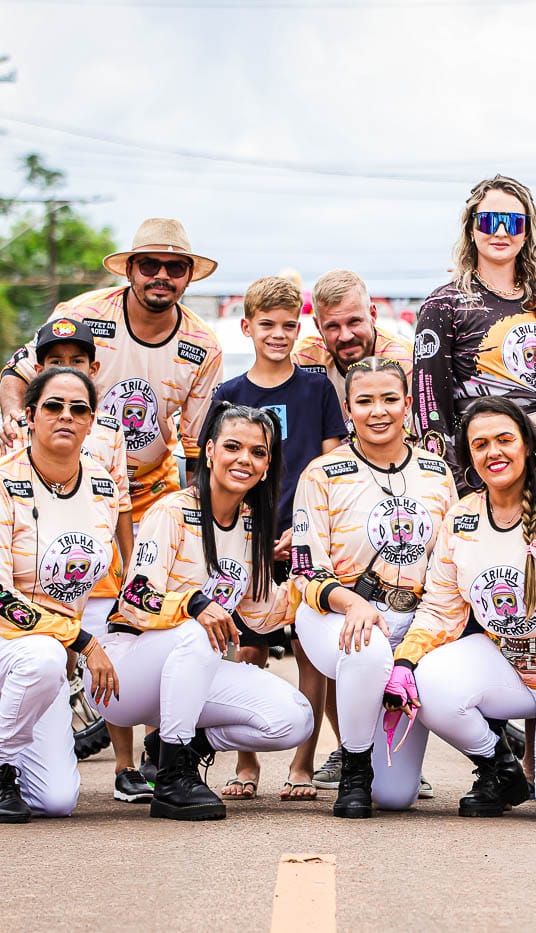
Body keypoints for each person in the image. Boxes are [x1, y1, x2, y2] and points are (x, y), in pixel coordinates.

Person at [383, 396, 536, 822]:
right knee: (430, 679)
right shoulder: (461, 518)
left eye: (504, 440)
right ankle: (500, 766)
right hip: (511, 663)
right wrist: (405, 660)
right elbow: (441, 609)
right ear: (469, 457)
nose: (493, 452)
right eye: (480, 445)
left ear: (528, 446)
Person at [88, 403, 314, 821]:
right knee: (199, 631)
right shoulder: (171, 512)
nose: (244, 459)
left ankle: (177, 748)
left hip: (190, 674)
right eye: (232, 446)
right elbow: (136, 596)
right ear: (209, 451)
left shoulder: (251, 526)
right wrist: (193, 603)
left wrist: (310, 579)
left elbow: (263, 616)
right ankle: (171, 779)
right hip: (124, 674)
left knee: (294, 719)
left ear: (267, 465)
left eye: (258, 452)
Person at [0, 367, 122, 822]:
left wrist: (66, 637)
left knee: (55, 801)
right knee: (44, 658)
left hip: (38, 644)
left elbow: (78, 580)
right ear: (29, 415)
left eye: (79, 409)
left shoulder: (103, 487)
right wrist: (79, 641)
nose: (65, 416)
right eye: (53, 406)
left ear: (92, 421)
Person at [289, 357, 458, 818]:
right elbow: (305, 570)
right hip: (336, 615)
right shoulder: (321, 474)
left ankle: (492, 758)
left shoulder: (437, 473)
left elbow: (452, 562)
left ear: (407, 404)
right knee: (368, 647)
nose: (378, 410)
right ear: (348, 409)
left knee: (397, 796)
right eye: (364, 401)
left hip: (414, 618)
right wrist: (355, 604)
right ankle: (355, 766)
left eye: (389, 399)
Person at [210, 276, 346, 801]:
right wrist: (247, 537)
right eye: (267, 324)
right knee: (248, 652)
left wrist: (304, 532)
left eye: (289, 325)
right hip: (247, 547)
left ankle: (304, 763)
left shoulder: (317, 391)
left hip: (305, 544)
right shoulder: (230, 394)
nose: (278, 334)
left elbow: (333, 468)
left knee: (309, 652)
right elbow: (218, 474)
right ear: (247, 327)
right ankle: (247, 763)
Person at [0, 218, 224, 516]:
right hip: (65, 481)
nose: (161, 276)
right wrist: (12, 416)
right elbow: (18, 372)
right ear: (129, 270)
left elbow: (198, 450)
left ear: (189, 276)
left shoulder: (203, 346)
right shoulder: (83, 314)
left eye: (175, 268)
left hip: (149, 492)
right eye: (148, 265)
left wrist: (197, 517)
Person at [410, 174, 536, 500]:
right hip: (482, 468)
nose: (500, 232)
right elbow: (429, 410)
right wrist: (457, 486)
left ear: (526, 233)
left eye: (512, 223)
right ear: (472, 229)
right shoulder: (443, 305)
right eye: (489, 221)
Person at [24, 319, 148, 803]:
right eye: (56, 361)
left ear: (94, 368)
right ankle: (22, 753)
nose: (68, 368)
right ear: (39, 369)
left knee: (110, 658)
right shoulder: (25, 427)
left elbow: (120, 504)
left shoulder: (109, 433)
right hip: (40, 579)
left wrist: (130, 568)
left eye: (78, 361)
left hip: (97, 575)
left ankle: (125, 764)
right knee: (50, 665)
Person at [294, 269, 415, 405]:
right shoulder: (303, 361)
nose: (345, 336)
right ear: (318, 326)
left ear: (373, 315)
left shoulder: (404, 359)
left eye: (354, 322)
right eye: (333, 326)